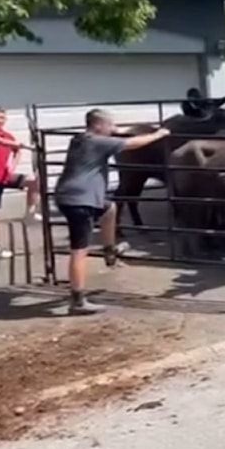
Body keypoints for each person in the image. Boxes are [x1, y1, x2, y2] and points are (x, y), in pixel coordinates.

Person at [54, 108, 171, 314]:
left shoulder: (79, 139)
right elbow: (133, 143)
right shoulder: (99, 142)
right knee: (79, 251)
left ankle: (110, 250)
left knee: (110, 208)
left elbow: (118, 136)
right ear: (98, 125)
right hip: (80, 201)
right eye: (110, 125)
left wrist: (115, 131)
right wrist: (158, 134)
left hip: (72, 195)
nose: (113, 128)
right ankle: (78, 300)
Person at [0, 105, 42, 259]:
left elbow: (17, 151)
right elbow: (0, 141)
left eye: (2, 117)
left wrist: (12, 166)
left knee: (33, 181)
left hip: (4, 176)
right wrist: (24, 145)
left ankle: (29, 214)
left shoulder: (8, 135)